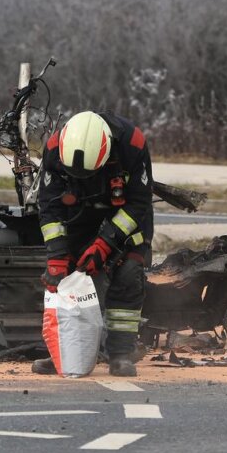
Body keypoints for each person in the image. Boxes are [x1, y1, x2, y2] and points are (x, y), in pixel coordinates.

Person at [31, 111, 153, 377]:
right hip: (79, 215)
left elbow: (139, 204)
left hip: (126, 216)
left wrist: (104, 245)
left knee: (128, 274)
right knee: (65, 280)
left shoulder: (132, 144)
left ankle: (120, 354)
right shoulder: (54, 149)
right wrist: (57, 256)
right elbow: (50, 209)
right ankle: (63, 353)